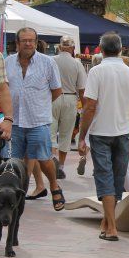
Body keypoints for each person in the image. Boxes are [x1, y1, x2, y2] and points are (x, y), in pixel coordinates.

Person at [78, 33, 129, 242]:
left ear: (101, 49)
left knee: (104, 176)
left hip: (100, 132)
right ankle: (106, 223)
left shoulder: (96, 71)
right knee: (117, 177)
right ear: (121, 49)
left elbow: (89, 107)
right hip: (122, 132)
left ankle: (112, 227)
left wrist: (82, 135)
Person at [6, 27, 65, 210]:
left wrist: (41, 104)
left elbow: (57, 90)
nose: (28, 43)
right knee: (16, 161)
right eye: (24, 40)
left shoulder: (48, 62)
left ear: (36, 42)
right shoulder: (8, 62)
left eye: (31, 40)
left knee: (44, 158)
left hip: (38, 120)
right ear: (17, 43)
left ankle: (54, 186)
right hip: (16, 121)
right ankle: (17, 194)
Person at [50, 36, 86, 179]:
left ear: (59, 47)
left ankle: (52, 160)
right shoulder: (77, 64)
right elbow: (82, 89)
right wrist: (84, 108)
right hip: (70, 98)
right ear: (72, 48)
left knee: (51, 132)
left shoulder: (51, 60)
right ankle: (61, 166)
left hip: (52, 98)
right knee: (66, 134)